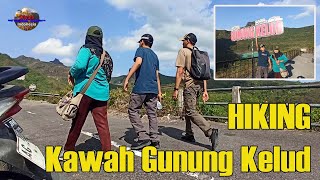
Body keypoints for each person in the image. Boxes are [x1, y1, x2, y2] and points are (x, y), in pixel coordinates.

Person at [64, 26, 111, 152]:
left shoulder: (86, 49)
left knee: (77, 123)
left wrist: (71, 73)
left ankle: (68, 151)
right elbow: (108, 75)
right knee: (102, 125)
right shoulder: (106, 55)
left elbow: (79, 66)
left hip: (85, 93)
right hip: (102, 94)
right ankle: (107, 154)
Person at [172, 33, 218, 150]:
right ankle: (189, 134)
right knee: (188, 109)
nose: (182, 42)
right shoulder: (199, 53)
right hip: (198, 87)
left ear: (188, 41)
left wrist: (176, 89)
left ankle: (210, 131)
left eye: (183, 40)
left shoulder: (183, 51)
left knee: (191, 111)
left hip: (190, 85)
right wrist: (205, 90)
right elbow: (204, 74)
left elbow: (180, 72)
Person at [124, 34, 162, 150]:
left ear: (142, 42)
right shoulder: (155, 56)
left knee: (133, 110)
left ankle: (142, 136)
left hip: (141, 87)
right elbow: (157, 75)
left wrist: (127, 78)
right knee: (152, 114)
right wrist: (159, 92)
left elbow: (138, 62)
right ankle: (154, 140)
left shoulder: (140, 50)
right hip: (153, 89)